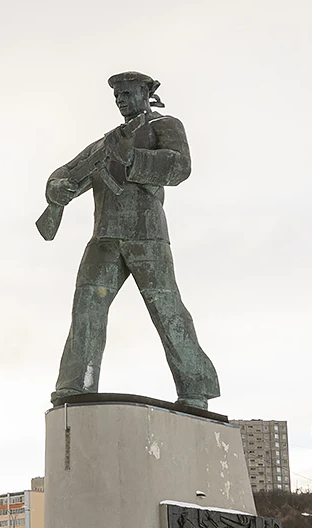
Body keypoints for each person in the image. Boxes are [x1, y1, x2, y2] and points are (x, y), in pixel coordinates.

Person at [44, 71, 219, 409]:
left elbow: (180, 166)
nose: (121, 99)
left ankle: (196, 388)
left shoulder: (164, 126)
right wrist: (57, 188)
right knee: (86, 309)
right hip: (105, 238)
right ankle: (75, 385)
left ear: (145, 93)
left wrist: (133, 158)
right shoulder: (105, 143)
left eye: (126, 93)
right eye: (117, 95)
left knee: (166, 309)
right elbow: (67, 172)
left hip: (147, 236)